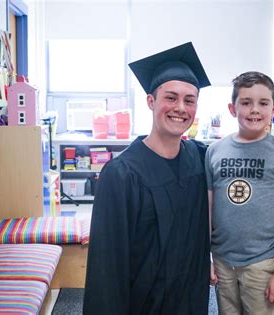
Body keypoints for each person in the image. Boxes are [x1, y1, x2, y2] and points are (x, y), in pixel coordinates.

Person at [83, 42, 211, 314]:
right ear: (151, 102)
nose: (180, 108)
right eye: (171, 97)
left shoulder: (201, 159)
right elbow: (106, 268)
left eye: (189, 100)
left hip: (191, 301)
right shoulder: (121, 175)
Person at [206, 71, 274, 314]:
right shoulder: (214, 151)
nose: (254, 110)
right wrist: (205, 258)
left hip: (263, 263)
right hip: (222, 261)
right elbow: (208, 209)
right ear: (232, 108)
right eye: (246, 103)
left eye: (263, 103)